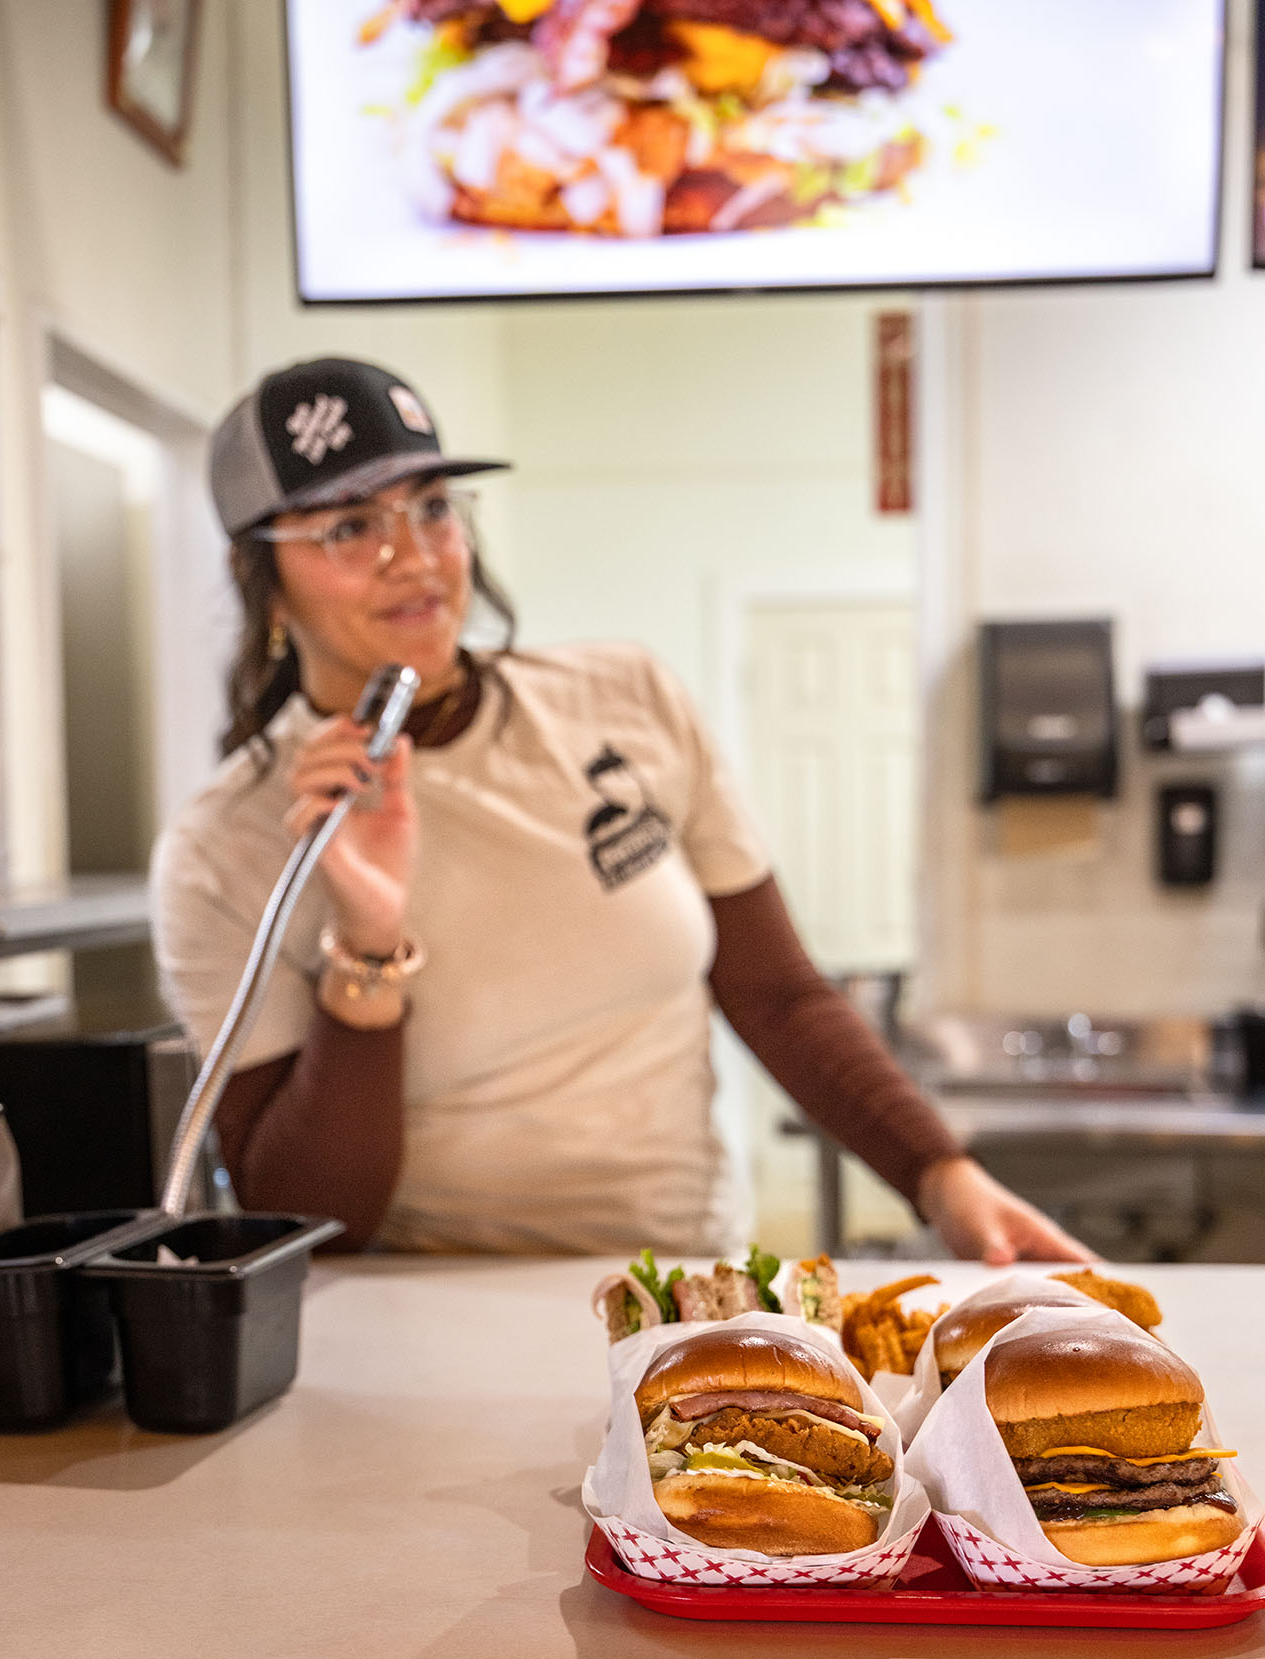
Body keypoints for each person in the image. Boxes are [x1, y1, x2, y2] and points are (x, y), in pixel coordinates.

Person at [153, 356, 1086, 1265]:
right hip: (424, 1308)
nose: (417, 559)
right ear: (263, 583)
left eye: (433, 507)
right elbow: (305, 1214)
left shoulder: (624, 697)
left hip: (683, 1280)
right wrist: (366, 941)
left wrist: (939, 1174)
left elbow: (778, 996)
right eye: (351, 527)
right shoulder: (224, 847)